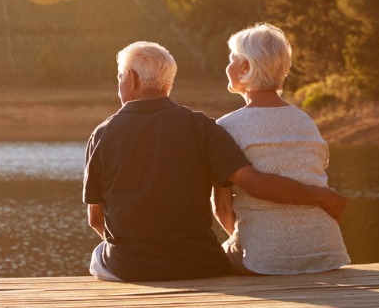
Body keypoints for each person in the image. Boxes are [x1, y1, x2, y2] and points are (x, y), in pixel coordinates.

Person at [85, 41, 346, 282]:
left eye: (120, 77)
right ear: (168, 83)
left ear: (131, 80)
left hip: (130, 267)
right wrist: (321, 196)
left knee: (98, 256)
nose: (119, 84)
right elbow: (251, 183)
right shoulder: (204, 128)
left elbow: (96, 219)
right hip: (199, 264)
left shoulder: (102, 134)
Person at [213, 23, 350, 275]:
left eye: (232, 59)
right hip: (326, 254)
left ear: (245, 67)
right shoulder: (306, 121)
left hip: (264, 261)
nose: (227, 66)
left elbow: (222, 210)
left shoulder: (225, 127)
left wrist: (258, 243)